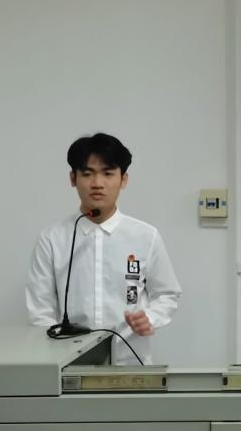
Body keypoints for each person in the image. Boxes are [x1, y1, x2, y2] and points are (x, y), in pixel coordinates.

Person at [26, 133, 181, 365]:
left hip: (132, 364)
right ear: (73, 178)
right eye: (87, 173)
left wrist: (149, 317)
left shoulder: (145, 236)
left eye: (108, 173)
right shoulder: (52, 239)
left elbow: (167, 294)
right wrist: (56, 357)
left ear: (123, 179)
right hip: (70, 368)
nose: (97, 183)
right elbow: (40, 311)